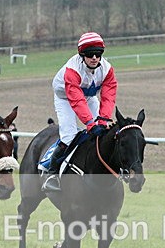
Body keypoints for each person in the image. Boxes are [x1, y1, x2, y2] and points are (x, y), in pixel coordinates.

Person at [43, 32, 117, 192]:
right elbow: (76, 100)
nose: (95, 58)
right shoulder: (72, 70)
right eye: (90, 55)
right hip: (66, 98)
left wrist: (103, 120)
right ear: (82, 55)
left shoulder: (107, 69)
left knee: (102, 132)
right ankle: (52, 174)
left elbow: (109, 96)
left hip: (88, 97)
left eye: (98, 54)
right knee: (69, 137)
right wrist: (90, 124)